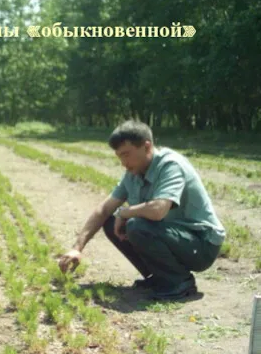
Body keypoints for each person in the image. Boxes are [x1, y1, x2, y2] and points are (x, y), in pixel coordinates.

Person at [58, 120, 226, 301]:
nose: (123, 163)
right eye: (119, 156)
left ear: (147, 147)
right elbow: (103, 210)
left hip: (201, 245)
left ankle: (179, 282)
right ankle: (159, 277)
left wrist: (124, 212)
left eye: (126, 154)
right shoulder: (133, 173)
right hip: (174, 236)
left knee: (136, 225)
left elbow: (158, 210)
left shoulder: (171, 165)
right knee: (111, 222)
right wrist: (77, 248)